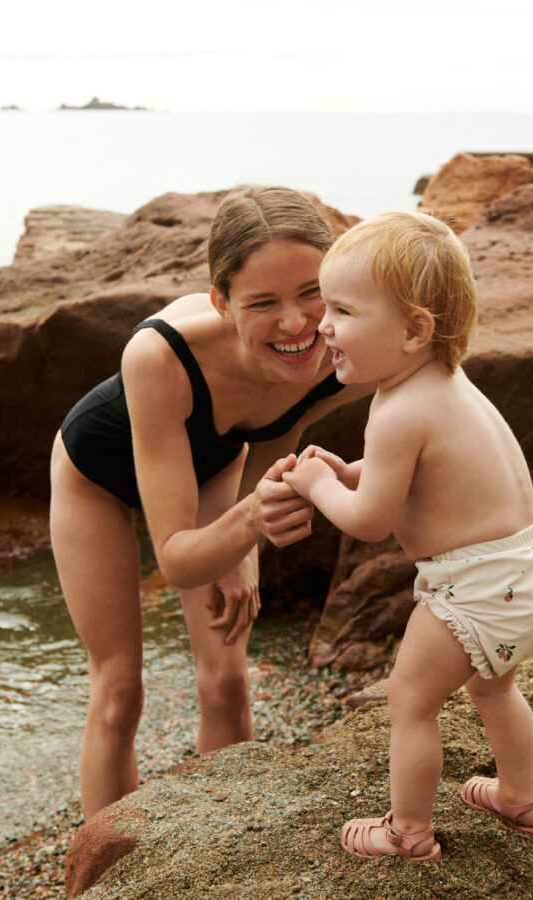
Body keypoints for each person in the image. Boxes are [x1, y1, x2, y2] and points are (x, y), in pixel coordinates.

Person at [50, 185, 372, 819]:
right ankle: (105, 872)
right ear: (222, 303)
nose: (295, 323)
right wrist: (247, 523)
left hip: (214, 469)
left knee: (226, 679)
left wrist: (239, 541)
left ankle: (222, 844)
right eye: (263, 302)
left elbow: (281, 429)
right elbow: (175, 564)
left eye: (312, 292)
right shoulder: (161, 355)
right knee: (120, 691)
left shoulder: (344, 349)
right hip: (96, 475)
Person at [282, 211, 533, 861]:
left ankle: (406, 832)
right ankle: (520, 797)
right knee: (494, 687)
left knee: (410, 701)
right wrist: (349, 470)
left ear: (414, 330)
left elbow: (371, 521)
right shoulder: (446, 386)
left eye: (343, 311)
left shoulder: (397, 410)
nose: (323, 325)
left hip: (477, 587)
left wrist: (317, 488)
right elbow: (426, 479)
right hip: (531, 574)